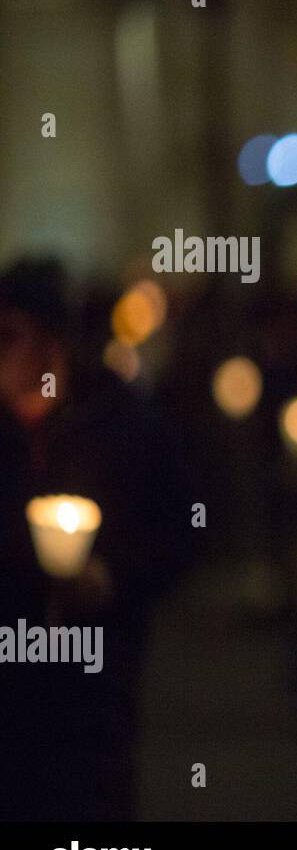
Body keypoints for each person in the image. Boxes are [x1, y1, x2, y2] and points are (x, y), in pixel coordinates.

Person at [0, 257, 192, 820]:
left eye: (9, 336)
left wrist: (111, 576)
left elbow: (179, 536)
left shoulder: (126, 427)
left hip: (92, 686)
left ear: (53, 342)